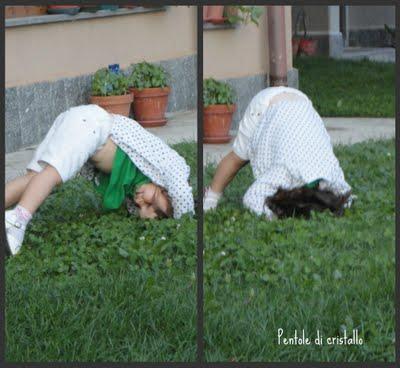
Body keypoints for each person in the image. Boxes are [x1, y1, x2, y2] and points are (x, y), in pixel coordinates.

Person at [6, 105, 194, 255]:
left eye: (142, 207)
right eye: (151, 202)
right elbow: (182, 191)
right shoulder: (172, 168)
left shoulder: (135, 185)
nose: (140, 201)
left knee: (33, 179)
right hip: (92, 125)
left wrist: (146, 213)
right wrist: (182, 224)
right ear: (166, 190)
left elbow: (141, 208)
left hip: (81, 121)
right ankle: (17, 220)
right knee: (54, 174)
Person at [203, 86, 353, 219]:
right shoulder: (284, 172)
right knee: (239, 158)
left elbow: (347, 197)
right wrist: (274, 216)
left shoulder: (329, 170)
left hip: (300, 102)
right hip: (266, 105)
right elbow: (251, 198)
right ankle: (210, 199)